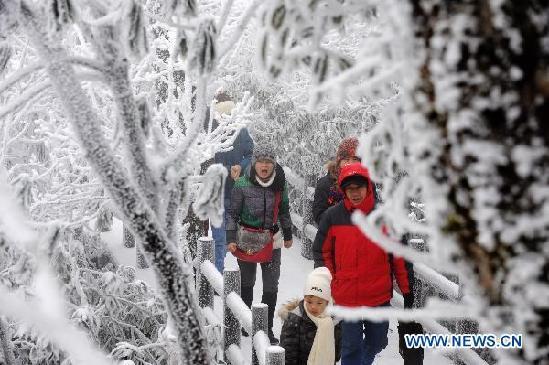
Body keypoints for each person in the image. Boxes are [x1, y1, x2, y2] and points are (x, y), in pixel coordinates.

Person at [313, 162, 414, 365]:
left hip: (378, 296)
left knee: (379, 342)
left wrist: (407, 290)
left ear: (368, 187)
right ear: (343, 190)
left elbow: (399, 257)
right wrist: (331, 282)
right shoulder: (332, 217)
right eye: (349, 189)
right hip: (346, 296)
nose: (354, 193)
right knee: (350, 347)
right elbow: (322, 252)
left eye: (358, 187)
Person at [226, 143, 293, 344]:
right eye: (261, 162)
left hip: (273, 240)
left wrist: (288, 233)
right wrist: (230, 238)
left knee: (271, 285)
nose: (265, 166)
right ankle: (248, 324)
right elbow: (232, 213)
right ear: (254, 163)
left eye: (269, 162)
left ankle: (267, 328)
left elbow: (284, 209)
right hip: (246, 238)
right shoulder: (242, 184)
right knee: (247, 282)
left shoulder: (280, 183)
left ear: (274, 164)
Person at [209, 92, 254, 273]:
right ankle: (219, 275)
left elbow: (206, 161)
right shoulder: (240, 129)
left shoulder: (211, 129)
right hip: (232, 191)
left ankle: (217, 275)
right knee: (229, 237)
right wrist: (239, 167)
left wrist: (237, 167)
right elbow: (250, 153)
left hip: (219, 191)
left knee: (221, 238)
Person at [279, 267, 342, 365]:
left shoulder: (334, 320)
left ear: (327, 302)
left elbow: (336, 352)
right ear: (304, 298)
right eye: (309, 301)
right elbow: (288, 353)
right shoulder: (295, 318)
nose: (313, 307)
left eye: (319, 303)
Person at [312, 137, 363, 226]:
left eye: (355, 159)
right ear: (339, 162)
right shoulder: (326, 184)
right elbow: (319, 217)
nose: (350, 164)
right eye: (346, 159)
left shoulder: (367, 183)